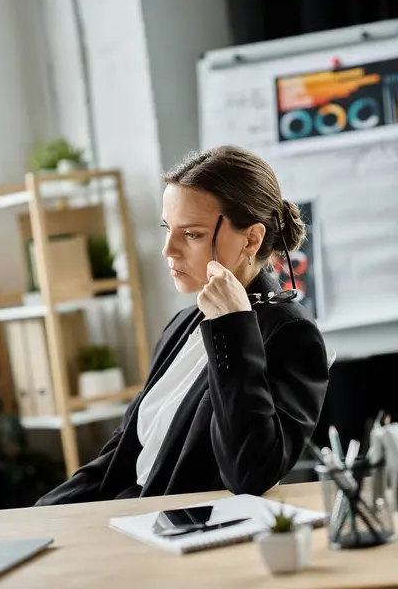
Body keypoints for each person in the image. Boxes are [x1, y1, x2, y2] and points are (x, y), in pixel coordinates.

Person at [36, 145, 329, 506]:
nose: (168, 249)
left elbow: (249, 473)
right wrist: (34, 517)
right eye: (167, 229)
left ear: (251, 239)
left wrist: (234, 327)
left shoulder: (290, 333)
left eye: (191, 234)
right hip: (129, 516)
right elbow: (122, 454)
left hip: (177, 533)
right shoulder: (184, 323)